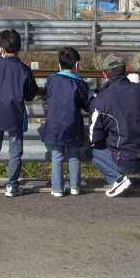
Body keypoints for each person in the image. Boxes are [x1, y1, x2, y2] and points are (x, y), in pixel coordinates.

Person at [85, 54, 140, 197]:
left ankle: (118, 180)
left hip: (125, 163)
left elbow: (94, 139)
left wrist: (108, 142)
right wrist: (139, 84)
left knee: (90, 151)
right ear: (125, 71)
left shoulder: (100, 100)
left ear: (104, 74)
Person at [0, 29, 39, 197]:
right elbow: (30, 93)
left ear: (1, 49)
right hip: (16, 114)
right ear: (19, 48)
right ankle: (12, 185)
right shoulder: (24, 69)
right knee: (16, 151)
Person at [41, 47, 93, 197]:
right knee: (74, 156)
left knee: (57, 156)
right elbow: (87, 104)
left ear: (59, 64)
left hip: (54, 124)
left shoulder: (52, 79)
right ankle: (75, 186)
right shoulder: (80, 84)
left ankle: (57, 188)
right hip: (73, 124)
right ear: (77, 64)